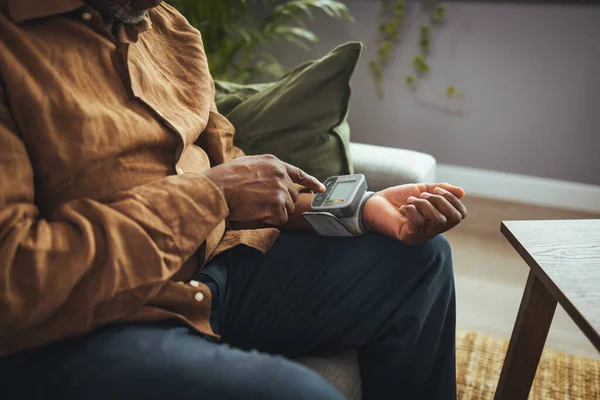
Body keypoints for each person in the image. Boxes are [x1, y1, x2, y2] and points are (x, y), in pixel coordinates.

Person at [0, 1, 467, 399]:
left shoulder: (167, 28)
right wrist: (211, 195)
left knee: (420, 262)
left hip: (220, 271)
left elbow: (235, 172)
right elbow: (15, 280)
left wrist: (360, 210)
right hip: (90, 325)